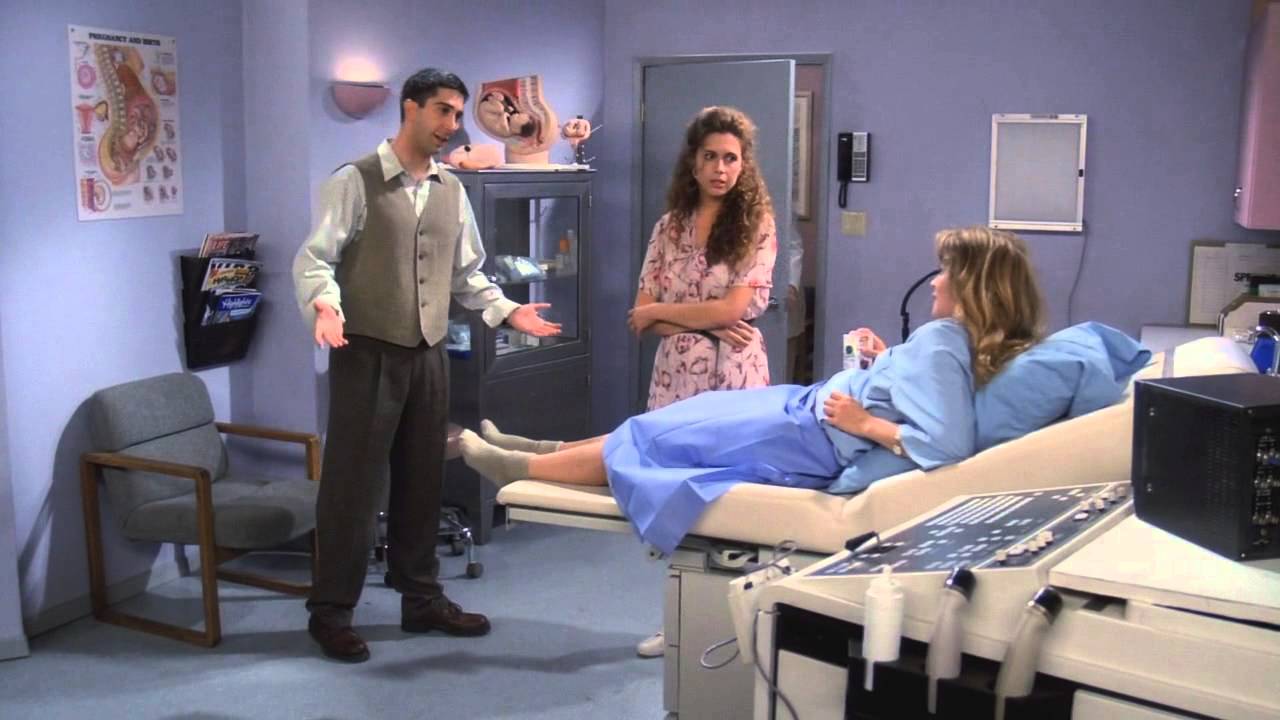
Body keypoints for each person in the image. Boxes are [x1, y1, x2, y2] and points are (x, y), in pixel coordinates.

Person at [459, 225, 1044, 555]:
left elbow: (947, 446)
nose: (936, 281)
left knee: (663, 442)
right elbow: (930, 393)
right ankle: (542, 450)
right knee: (668, 424)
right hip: (804, 411)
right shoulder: (954, 342)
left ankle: (520, 469)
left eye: (947, 272)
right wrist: (886, 360)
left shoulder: (944, 340)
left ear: (972, 285)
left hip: (812, 436)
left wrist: (867, 423)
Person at [292, 68, 561, 663]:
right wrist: (325, 306)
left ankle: (421, 598)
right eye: (442, 110)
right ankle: (330, 611)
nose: (452, 125)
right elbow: (316, 259)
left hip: (428, 352)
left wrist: (508, 311)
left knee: (422, 479)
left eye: (458, 114)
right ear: (410, 108)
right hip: (366, 352)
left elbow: (468, 274)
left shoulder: (450, 189)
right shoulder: (354, 180)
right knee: (352, 487)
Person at [628, 106, 777, 410]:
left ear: (743, 166)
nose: (719, 168)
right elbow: (643, 317)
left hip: (734, 373)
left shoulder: (757, 227)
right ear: (694, 163)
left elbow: (731, 310)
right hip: (674, 379)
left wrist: (659, 311)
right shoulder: (668, 228)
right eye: (710, 156)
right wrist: (709, 325)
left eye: (730, 158)